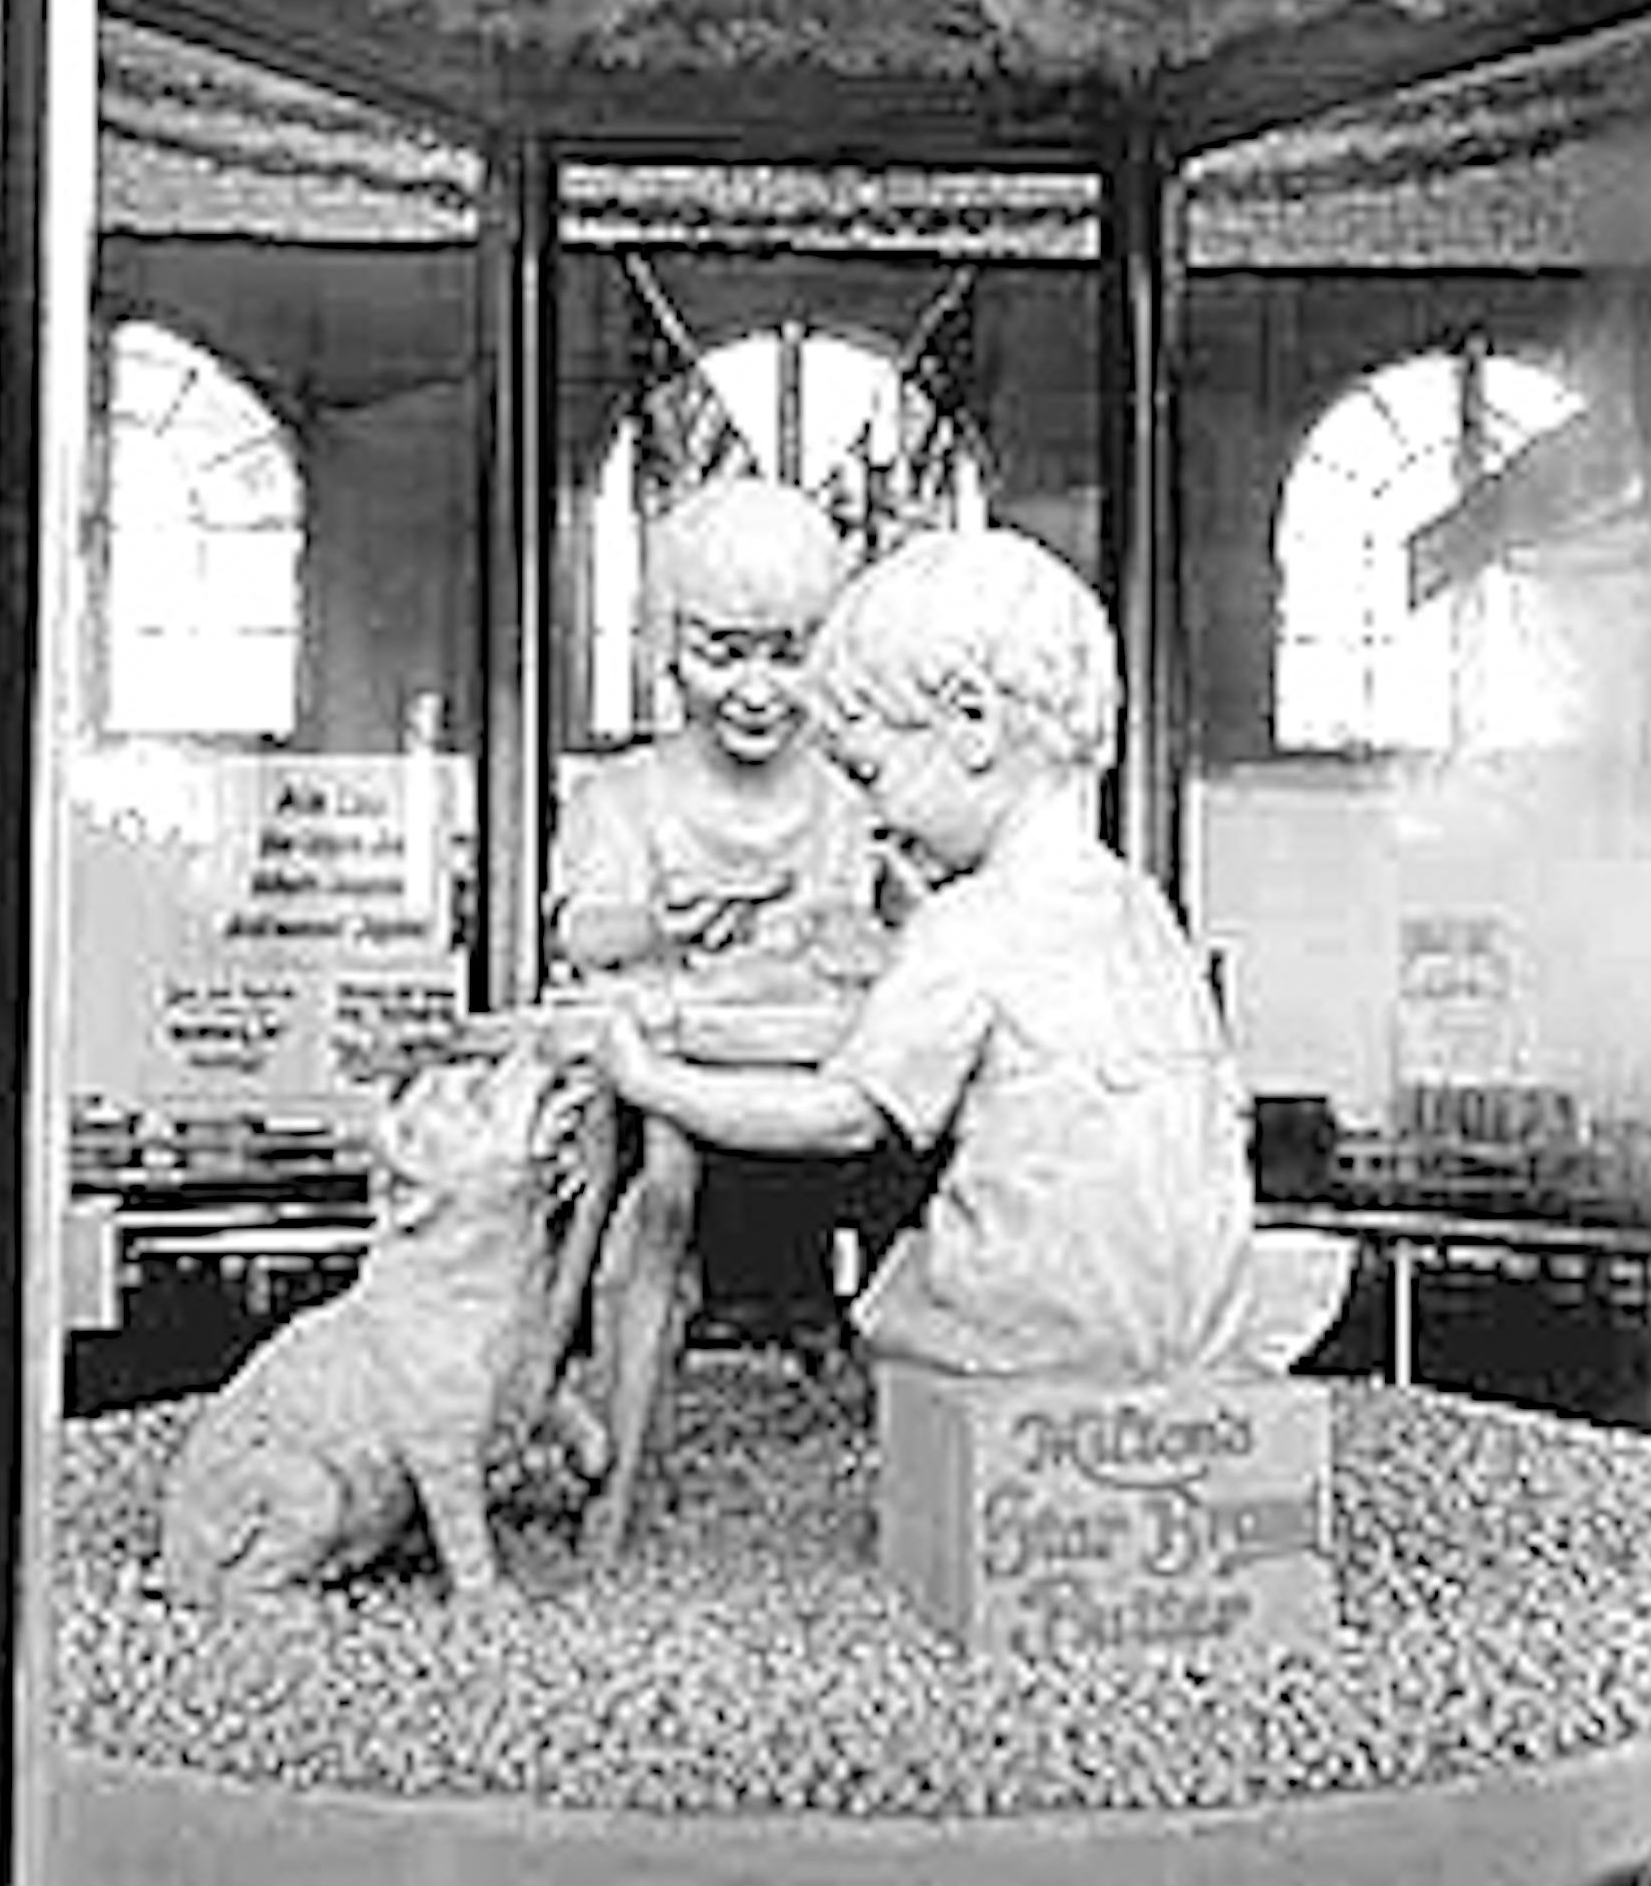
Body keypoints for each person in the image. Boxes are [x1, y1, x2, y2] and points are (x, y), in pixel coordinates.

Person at [599, 522, 1293, 1384]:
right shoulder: (1136, 904)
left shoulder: (970, 923)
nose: (876, 815)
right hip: (1192, 1332)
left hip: (1044, 1335)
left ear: (970, 721)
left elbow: (844, 1116)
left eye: (872, 773)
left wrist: (652, 1081)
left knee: (892, 1296)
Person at [548, 473, 890, 1554]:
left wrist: (863, 942)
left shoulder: (850, 801)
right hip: (680, 1081)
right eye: (721, 652)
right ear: (665, 644)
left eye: (786, 654)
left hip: (817, 1081)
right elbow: (580, 933)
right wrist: (656, 920)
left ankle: (935, 1445)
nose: (754, 687)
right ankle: (614, 1480)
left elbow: (885, 945)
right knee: (664, 1182)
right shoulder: (623, 797)